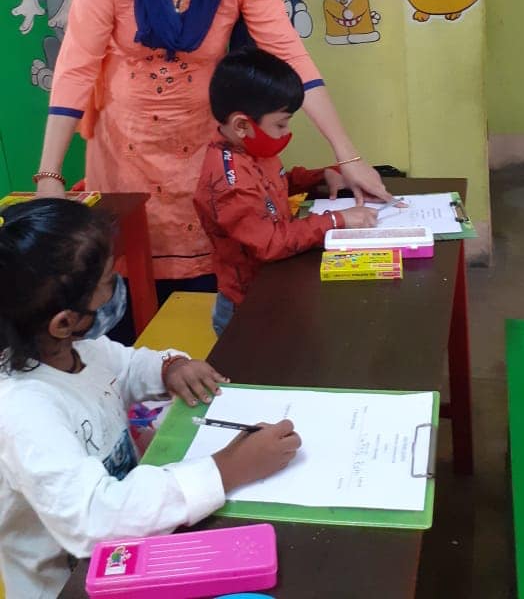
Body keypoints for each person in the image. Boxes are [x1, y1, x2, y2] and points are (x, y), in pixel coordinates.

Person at [35, 0, 391, 302]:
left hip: (200, 156)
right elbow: (77, 64)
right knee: (131, 291)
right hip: (124, 154)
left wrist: (348, 156)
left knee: (209, 289)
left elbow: (293, 58)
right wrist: (50, 174)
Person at [0, 199, 301, 599]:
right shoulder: (24, 412)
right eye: (109, 280)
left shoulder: (76, 352)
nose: (117, 286)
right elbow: (96, 519)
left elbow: (125, 366)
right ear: (64, 322)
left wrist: (169, 367)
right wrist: (226, 469)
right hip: (72, 584)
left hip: (136, 546)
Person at [194, 49, 379, 335]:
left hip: (275, 288)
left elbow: (275, 184)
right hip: (249, 309)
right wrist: (336, 219)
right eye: (281, 124)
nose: (286, 132)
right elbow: (269, 243)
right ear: (242, 125)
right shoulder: (229, 182)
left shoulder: (251, 147)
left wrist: (322, 175)